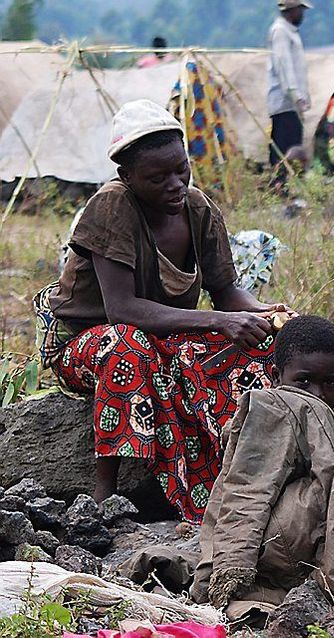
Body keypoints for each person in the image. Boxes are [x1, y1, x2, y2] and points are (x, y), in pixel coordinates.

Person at [43, 99, 290, 523]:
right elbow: (122, 310)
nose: (175, 184)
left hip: (162, 338)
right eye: (158, 178)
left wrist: (266, 315)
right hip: (87, 344)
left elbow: (227, 291)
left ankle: (240, 477)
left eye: (181, 170)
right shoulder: (112, 206)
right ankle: (105, 494)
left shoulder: (196, 208)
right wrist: (220, 321)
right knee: (128, 346)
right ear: (127, 177)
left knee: (256, 349)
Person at [190, 315, 334, 617]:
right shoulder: (259, 416)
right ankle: (299, 595)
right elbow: (240, 497)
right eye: (303, 381)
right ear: (276, 377)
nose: (316, 395)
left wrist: (328, 459)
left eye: (330, 383)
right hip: (274, 553)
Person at [267, 0, 311, 170]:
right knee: (285, 147)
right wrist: (295, 96)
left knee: (293, 145)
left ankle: (287, 184)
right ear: (292, 11)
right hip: (285, 103)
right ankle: (280, 184)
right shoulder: (280, 32)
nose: (302, 15)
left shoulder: (289, 32)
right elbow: (284, 67)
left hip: (291, 104)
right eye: (300, 10)